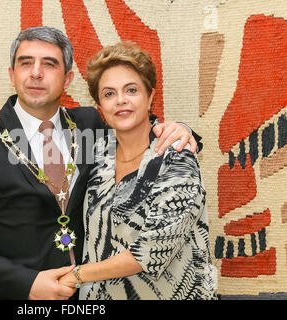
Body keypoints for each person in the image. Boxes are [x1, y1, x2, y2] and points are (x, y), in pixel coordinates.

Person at [0, 26, 199, 300]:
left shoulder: (89, 124)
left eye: (49, 64)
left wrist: (181, 131)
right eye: (25, 63)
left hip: (88, 296)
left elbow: (135, 130)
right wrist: (27, 284)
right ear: (12, 75)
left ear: (67, 79)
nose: (36, 72)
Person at [59, 41, 217, 300]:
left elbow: (151, 251)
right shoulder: (97, 152)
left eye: (131, 90)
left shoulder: (176, 157)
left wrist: (76, 275)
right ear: (100, 106)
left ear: (150, 96)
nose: (120, 100)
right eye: (109, 94)